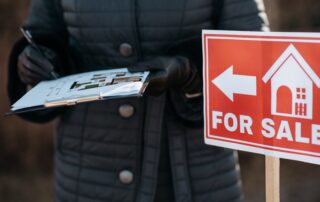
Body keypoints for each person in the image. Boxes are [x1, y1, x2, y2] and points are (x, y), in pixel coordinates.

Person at [7, 0, 269, 201]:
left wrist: (191, 73)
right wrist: (37, 62)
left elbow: (253, 51)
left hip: (192, 174)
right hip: (85, 174)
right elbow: (43, 32)